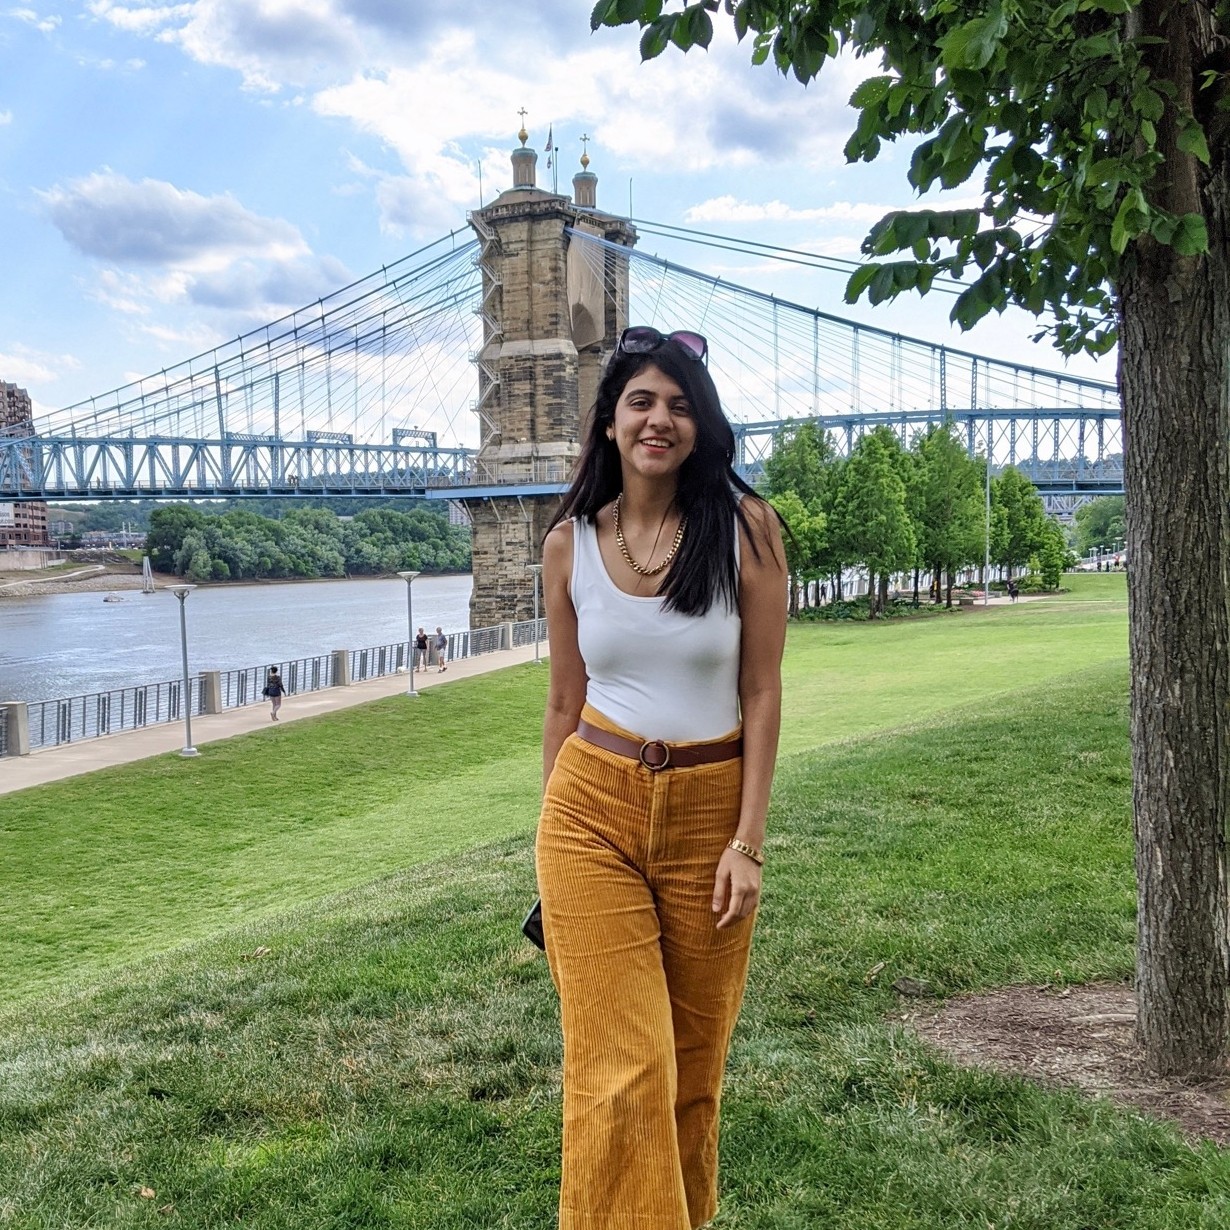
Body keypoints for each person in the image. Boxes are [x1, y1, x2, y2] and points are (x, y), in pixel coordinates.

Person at [535, 325, 787, 1229]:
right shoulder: (568, 544)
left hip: (710, 811)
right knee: (622, 1070)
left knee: (690, 1072)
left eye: (680, 404)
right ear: (608, 422)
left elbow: (761, 691)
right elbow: (564, 704)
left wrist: (748, 842)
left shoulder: (749, 533)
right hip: (589, 811)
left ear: (701, 424)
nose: (659, 419)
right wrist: (544, 845)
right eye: (640, 401)